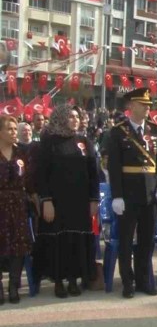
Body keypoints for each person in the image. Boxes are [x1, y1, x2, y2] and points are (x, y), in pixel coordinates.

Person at [107, 88, 157, 298]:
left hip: (150, 195)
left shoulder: (155, 131)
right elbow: (114, 166)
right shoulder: (118, 131)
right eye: (143, 104)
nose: (147, 108)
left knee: (147, 240)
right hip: (128, 194)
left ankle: (144, 280)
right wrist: (117, 195)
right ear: (131, 106)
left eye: (149, 105)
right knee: (126, 240)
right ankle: (128, 282)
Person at [33, 105, 99, 298]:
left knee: (75, 240)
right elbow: (41, 174)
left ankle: (73, 279)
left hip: (79, 202)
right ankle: (59, 281)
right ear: (61, 118)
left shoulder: (84, 141)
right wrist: (46, 200)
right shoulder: (49, 142)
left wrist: (94, 199)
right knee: (58, 241)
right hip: (56, 202)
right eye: (70, 116)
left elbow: (93, 173)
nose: (75, 119)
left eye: (77, 116)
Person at [0, 116, 33, 305]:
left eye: (15, 129)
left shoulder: (20, 153)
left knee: (18, 245)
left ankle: (14, 285)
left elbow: (29, 179)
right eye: (10, 129)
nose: (14, 132)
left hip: (18, 205)